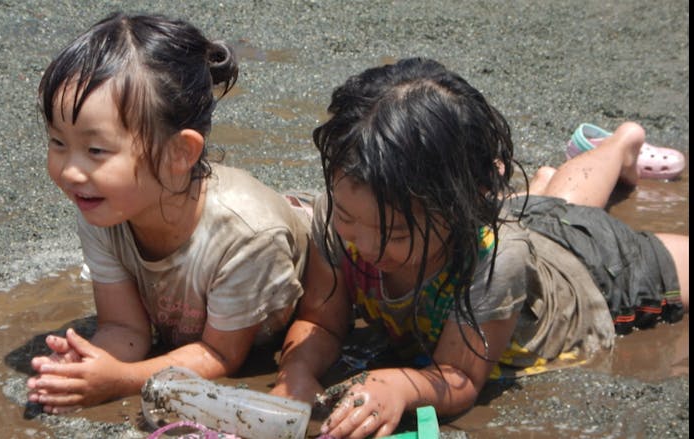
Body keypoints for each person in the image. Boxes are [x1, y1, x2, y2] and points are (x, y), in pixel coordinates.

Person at [270, 57, 689, 438]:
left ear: (465, 203)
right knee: (553, 207)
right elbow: (322, 324)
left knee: (584, 224)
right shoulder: (337, 218)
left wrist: (395, 385)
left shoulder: (492, 260)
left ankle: (618, 145)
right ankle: (619, 146)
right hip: (525, 224)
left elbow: (459, 376)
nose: (362, 243)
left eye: (395, 234)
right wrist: (298, 372)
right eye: (347, 216)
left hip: (595, 276)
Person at [26, 12, 311, 414]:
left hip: (334, 245)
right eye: (57, 142)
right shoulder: (103, 204)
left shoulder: (247, 235)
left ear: (180, 152)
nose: (71, 171)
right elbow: (124, 327)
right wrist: (87, 366)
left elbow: (222, 355)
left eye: (95, 151)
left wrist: (120, 382)